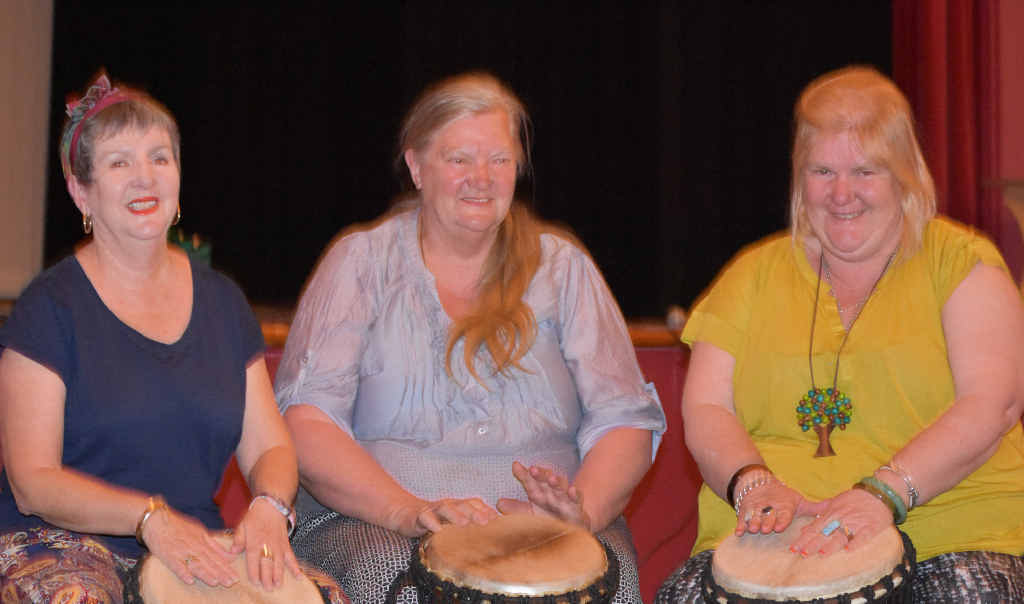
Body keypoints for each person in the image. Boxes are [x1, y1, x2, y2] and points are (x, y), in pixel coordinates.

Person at [275, 71, 667, 603]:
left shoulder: (564, 268)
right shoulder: (360, 263)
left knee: (606, 576)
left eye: (499, 160)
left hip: (548, 528)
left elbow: (624, 419)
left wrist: (582, 511)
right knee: (392, 575)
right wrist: (407, 510)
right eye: (459, 159)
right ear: (417, 166)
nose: (481, 178)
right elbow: (307, 422)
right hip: (380, 520)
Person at [657, 66, 1024, 602]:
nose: (841, 193)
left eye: (865, 171)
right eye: (823, 170)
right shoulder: (749, 275)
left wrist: (883, 495)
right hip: (769, 545)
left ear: (904, 174)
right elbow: (707, 408)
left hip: (948, 532)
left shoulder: (962, 263)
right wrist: (753, 483)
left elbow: (995, 403)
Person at [0, 72, 344, 603]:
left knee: (327, 596)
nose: (145, 178)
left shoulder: (224, 302)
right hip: (63, 541)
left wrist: (270, 505)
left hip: (193, 541)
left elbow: (270, 446)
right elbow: (33, 482)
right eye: (120, 163)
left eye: (159, 158)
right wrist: (147, 518)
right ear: (80, 191)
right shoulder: (47, 309)